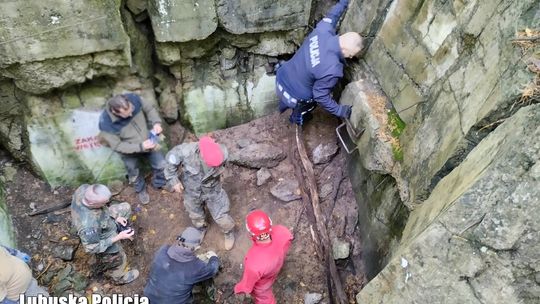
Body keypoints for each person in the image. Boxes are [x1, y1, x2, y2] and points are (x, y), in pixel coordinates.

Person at [275, 0, 363, 125]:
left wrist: (344, 3)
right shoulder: (333, 69)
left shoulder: (323, 30)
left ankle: (282, 107)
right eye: (351, 54)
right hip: (295, 97)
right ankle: (297, 118)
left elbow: (333, 15)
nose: (350, 57)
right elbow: (320, 96)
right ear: (345, 49)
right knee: (308, 106)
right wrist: (340, 110)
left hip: (280, 77)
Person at [164, 136, 236, 250]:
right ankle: (201, 228)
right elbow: (170, 161)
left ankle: (228, 232)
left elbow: (224, 165)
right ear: (201, 154)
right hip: (191, 190)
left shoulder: (222, 153)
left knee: (221, 215)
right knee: (195, 213)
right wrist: (174, 181)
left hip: (212, 189)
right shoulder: (186, 151)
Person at [98, 93, 166, 204]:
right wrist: (140, 147)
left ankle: (160, 183)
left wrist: (156, 123)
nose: (130, 115)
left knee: (161, 164)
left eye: (132, 110)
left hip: (149, 140)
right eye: (126, 114)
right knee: (134, 172)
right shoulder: (106, 124)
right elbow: (117, 146)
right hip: (129, 151)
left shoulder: (135, 99)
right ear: (115, 112)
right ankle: (141, 190)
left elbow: (149, 109)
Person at [71, 184, 139, 284]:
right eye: (104, 203)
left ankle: (118, 227)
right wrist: (118, 237)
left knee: (125, 208)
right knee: (119, 258)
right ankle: (119, 277)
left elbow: (103, 208)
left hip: (103, 219)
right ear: (91, 203)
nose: (107, 203)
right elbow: (92, 248)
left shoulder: (84, 189)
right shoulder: (88, 225)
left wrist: (116, 217)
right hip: (101, 236)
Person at [144, 227, 220, 304]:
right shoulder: (194, 268)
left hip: (149, 298)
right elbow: (212, 269)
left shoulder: (163, 250)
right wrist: (213, 257)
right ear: (197, 247)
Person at [234, 210, 293, 304]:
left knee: (264, 298)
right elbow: (289, 240)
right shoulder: (282, 232)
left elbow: (247, 285)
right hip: (276, 267)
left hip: (264, 284)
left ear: (250, 234)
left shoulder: (253, 262)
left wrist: (239, 288)